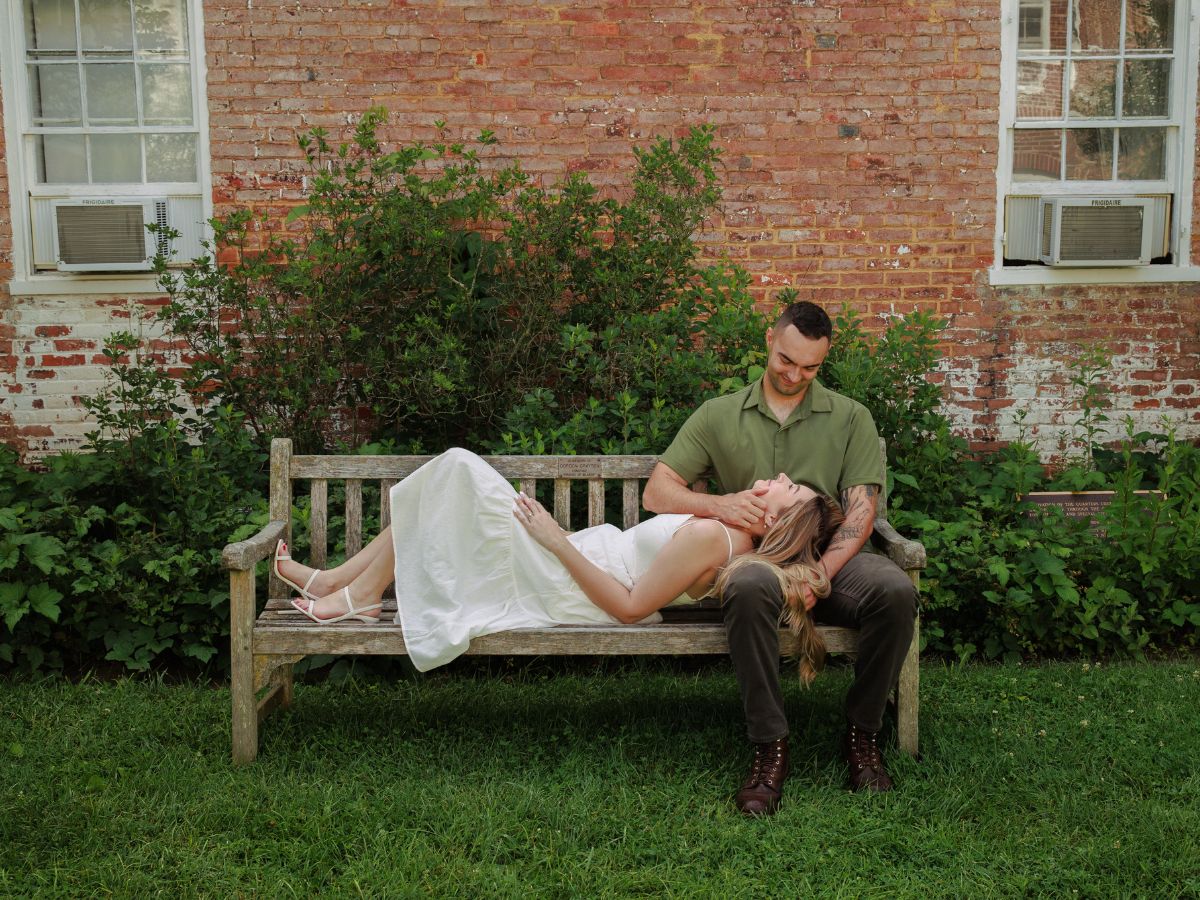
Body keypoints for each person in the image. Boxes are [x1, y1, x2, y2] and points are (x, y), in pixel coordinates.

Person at [642, 300, 918, 813]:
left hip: (829, 555)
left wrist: (820, 574)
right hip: (757, 558)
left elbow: (860, 512)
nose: (795, 374)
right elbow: (657, 492)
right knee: (747, 587)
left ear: (824, 361)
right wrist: (718, 504)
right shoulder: (719, 414)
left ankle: (863, 734)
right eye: (786, 360)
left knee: (896, 592)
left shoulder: (850, 417)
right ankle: (770, 746)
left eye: (810, 367)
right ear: (770, 340)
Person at [272, 448, 842, 675]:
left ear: (773, 522)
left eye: (788, 491)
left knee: (456, 472)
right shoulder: (727, 527)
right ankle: (342, 582)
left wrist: (553, 539)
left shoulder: (717, 543)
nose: (782, 479)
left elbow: (627, 609)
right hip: (569, 558)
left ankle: (356, 591)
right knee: (450, 482)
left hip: (570, 581)